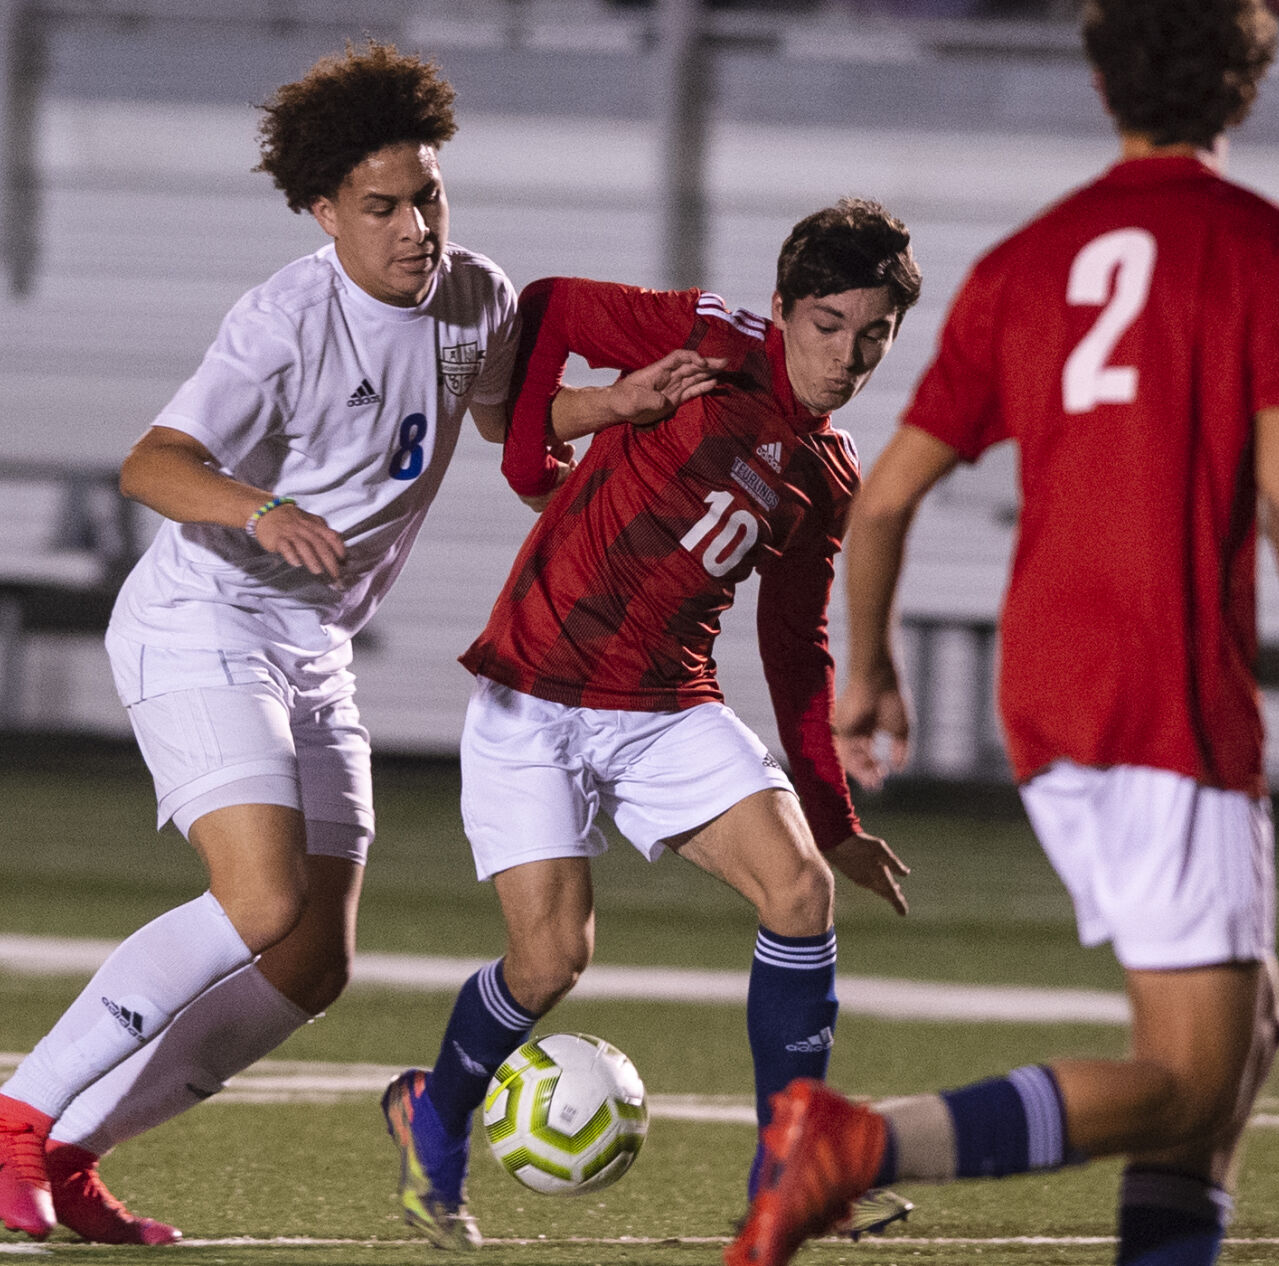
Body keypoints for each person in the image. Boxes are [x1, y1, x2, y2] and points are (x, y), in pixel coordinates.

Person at [0, 40, 712, 1246]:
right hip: (206, 619)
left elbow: (504, 420)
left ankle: (78, 1149)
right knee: (256, 901)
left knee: (309, 966)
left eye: (429, 196)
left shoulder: (475, 293)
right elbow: (154, 463)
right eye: (383, 207)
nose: (416, 228)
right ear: (323, 211)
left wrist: (607, 407)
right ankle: (15, 1114)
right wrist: (264, 509)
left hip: (313, 645)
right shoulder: (286, 321)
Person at [727, 4, 1279, 1266]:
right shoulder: (1276, 250)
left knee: (1253, 1037)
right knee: (1191, 1080)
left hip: (1051, 695)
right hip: (1168, 697)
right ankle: (857, 1144)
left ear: (1099, 77)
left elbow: (893, 492)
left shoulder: (1029, 261)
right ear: (1249, 82)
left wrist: (873, 673)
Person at [378, 198, 919, 1251]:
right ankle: (433, 1115)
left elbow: (795, 644)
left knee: (801, 889)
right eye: (827, 325)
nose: (847, 357)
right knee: (547, 966)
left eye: (873, 337)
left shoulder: (829, 472)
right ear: (782, 309)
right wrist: (532, 455)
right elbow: (550, 308)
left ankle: (792, 1171)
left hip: (664, 704)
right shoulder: (714, 338)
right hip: (532, 691)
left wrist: (834, 813)